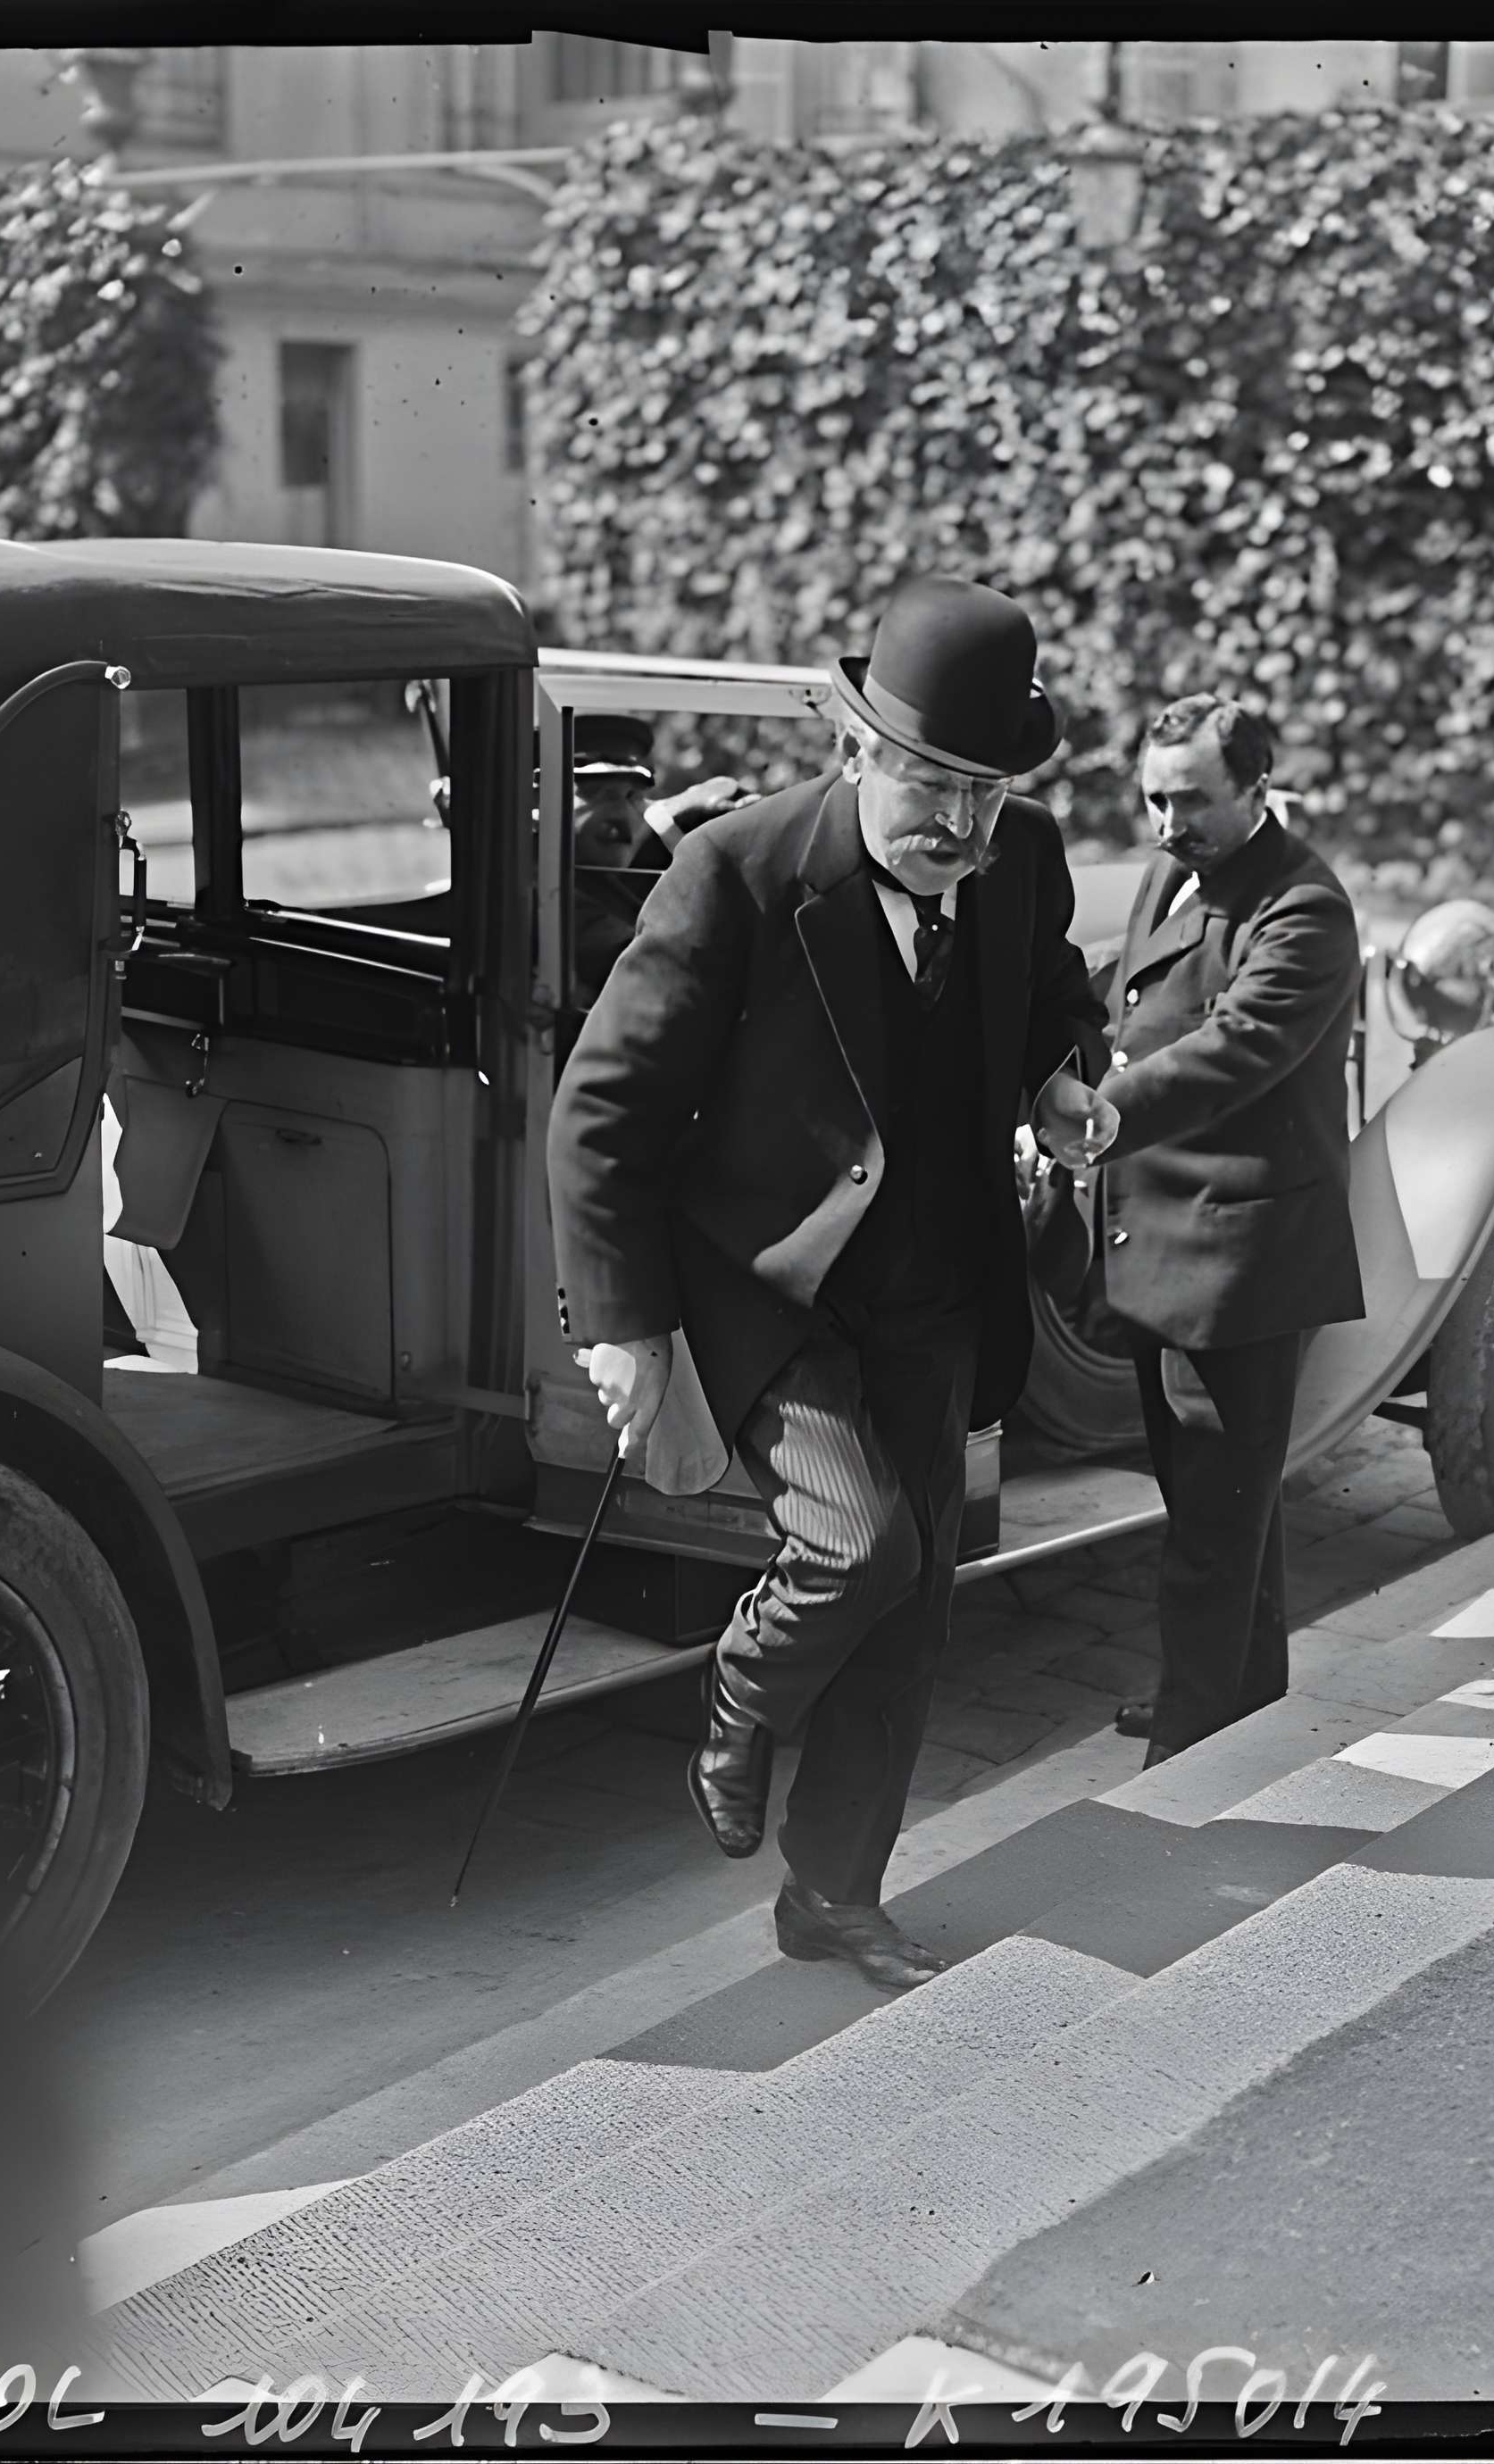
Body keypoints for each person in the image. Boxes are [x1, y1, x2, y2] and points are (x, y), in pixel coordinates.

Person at [547, 578, 1114, 1991]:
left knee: (910, 1618)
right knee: (862, 1550)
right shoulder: (735, 875)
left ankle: (833, 1898)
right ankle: (740, 1695)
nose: (961, 827)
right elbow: (601, 1111)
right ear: (857, 749)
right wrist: (625, 1327)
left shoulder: (1018, 858)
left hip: (934, 1289)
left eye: (986, 793)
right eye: (932, 783)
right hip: (771, 1296)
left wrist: (1059, 1085)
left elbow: (1054, 991)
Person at [1086, 695, 1368, 1761]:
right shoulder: (1180, 867)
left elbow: (1237, 1048)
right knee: (1219, 1506)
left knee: (1213, 1519)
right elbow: (1128, 988)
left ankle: (1195, 1741)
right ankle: (1237, 1695)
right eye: (1154, 799)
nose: (1166, 824)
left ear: (1257, 789)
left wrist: (1100, 1115)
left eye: (1192, 801)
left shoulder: (1305, 908)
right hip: (1169, 1247)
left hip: (1240, 1262)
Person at [569, 713, 745, 1001]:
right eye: (597, 793)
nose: (620, 814)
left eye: (632, 797)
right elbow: (665, 971)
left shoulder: (603, 884)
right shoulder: (550, 895)